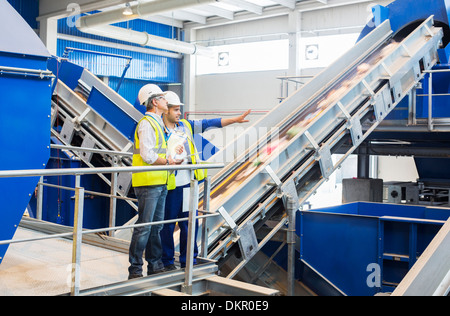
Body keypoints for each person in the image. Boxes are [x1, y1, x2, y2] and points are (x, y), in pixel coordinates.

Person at [160, 91, 251, 271]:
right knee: (167, 225)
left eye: (179, 110)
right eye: (176, 110)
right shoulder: (158, 129)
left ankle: (189, 261)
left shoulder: (185, 126)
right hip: (169, 186)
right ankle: (167, 262)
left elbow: (210, 124)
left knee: (189, 223)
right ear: (166, 110)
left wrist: (235, 119)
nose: (179, 113)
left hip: (187, 185)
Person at [128, 84, 182, 279]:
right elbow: (148, 155)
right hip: (148, 182)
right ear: (154, 102)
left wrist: (173, 156)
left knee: (156, 227)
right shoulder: (146, 124)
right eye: (162, 98)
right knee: (144, 227)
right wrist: (168, 160)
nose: (166, 101)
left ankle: (154, 264)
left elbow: (158, 151)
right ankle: (135, 269)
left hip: (160, 181)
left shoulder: (158, 123)